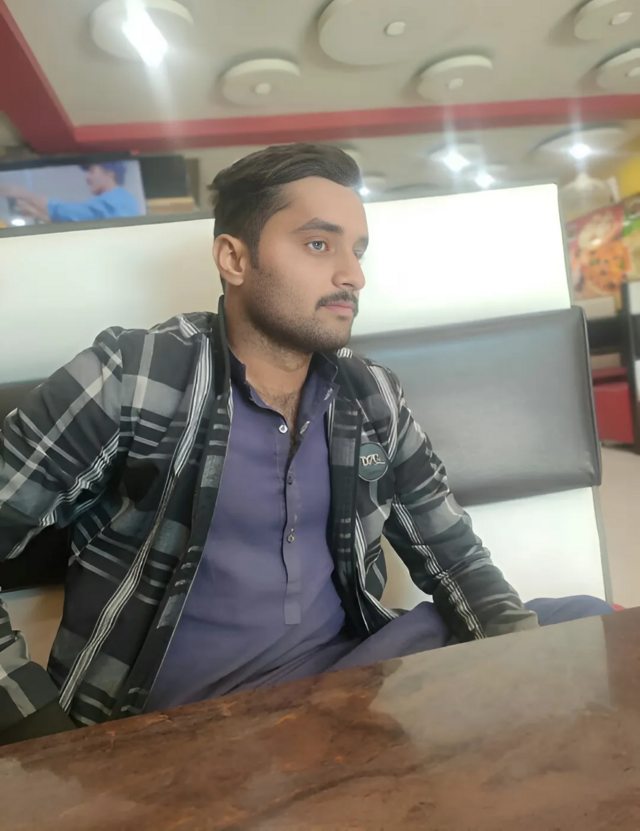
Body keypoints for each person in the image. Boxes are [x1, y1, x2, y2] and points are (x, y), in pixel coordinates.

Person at [0, 143, 611, 745]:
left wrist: (520, 656)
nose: (353, 275)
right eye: (319, 244)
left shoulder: (371, 394)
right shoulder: (135, 375)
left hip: (352, 679)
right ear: (234, 259)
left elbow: (453, 553)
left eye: (357, 250)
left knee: (587, 631)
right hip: (183, 724)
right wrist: (41, 738)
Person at [0, 162, 141, 223]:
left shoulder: (116, 201)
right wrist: (38, 213)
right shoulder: (122, 201)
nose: (88, 178)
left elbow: (68, 212)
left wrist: (22, 193)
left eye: (92, 171)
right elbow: (79, 225)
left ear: (109, 173)